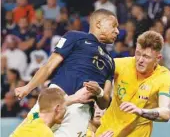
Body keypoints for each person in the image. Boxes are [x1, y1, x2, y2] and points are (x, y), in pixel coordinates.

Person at [15, 9, 119, 137]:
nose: (117, 31)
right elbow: (48, 66)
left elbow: (104, 102)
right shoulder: (74, 37)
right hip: (56, 97)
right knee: (26, 134)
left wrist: (99, 92)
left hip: (81, 110)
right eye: (113, 25)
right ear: (98, 23)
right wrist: (28, 87)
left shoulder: (110, 62)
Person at [96, 31, 170, 137]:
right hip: (107, 132)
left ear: (158, 58)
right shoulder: (121, 65)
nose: (140, 60)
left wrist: (140, 111)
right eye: (138, 53)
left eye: (146, 57)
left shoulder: (165, 78)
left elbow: (166, 113)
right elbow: (94, 68)